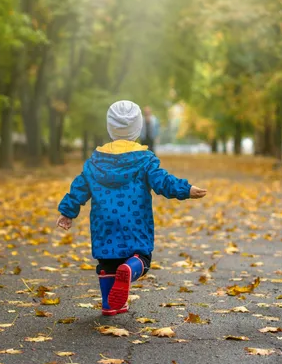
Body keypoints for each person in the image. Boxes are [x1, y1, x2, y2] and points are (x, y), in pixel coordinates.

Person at [56, 100, 207, 316]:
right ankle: (130, 269)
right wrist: (185, 189)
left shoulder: (95, 161)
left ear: (110, 128)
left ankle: (110, 305)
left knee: (107, 264)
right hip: (134, 222)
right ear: (137, 129)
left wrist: (67, 212)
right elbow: (162, 181)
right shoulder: (144, 159)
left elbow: (80, 186)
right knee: (141, 258)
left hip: (104, 224)